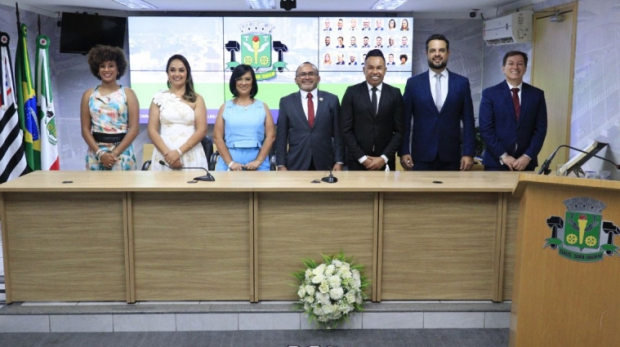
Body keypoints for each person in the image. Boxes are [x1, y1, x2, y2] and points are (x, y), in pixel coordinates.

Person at [399, 34, 475, 171]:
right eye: (433, 50)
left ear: (448, 53)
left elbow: (468, 121)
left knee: (450, 193)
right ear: (426, 53)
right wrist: (404, 151)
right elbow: (404, 121)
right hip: (421, 156)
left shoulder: (462, 83)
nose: (437, 54)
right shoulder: (413, 84)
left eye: (441, 50)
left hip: (451, 157)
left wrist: (468, 153)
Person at [479, 51, 547, 171]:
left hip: (525, 164)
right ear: (503, 68)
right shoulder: (490, 94)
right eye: (511, 63)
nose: (515, 67)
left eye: (520, 64)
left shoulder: (537, 95)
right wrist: (504, 156)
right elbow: (486, 129)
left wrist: (527, 156)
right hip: (496, 162)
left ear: (525, 68)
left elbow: (540, 129)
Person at [340, 49, 404, 171]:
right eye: (370, 67)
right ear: (364, 70)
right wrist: (362, 158)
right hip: (357, 163)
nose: (375, 72)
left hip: (385, 163)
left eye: (379, 68)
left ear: (385, 70)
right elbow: (345, 130)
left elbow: (399, 131)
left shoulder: (395, 94)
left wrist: (384, 158)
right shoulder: (351, 93)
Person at [275, 62, 344, 171]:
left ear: (318, 78)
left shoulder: (332, 100)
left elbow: (338, 134)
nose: (307, 77)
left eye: (311, 74)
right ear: (296, 80)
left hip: (326, 163)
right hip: (296, 163)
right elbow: (281, 136)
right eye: (302, 74)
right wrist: (281, 164)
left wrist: (339, 161)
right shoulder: (286, 102)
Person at [80, 45, 139, 171]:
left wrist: (114, 154)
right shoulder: (88, 95)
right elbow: (85, 130)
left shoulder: (128, 94)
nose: (106, 70)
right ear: (97, 69)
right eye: (102, 66)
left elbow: (134, 129)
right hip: (96, 153)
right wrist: (100, 154)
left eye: (111, 65)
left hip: (123, 153)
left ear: (118, 68)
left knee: (124, 190)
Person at [148, 54, 208, 171]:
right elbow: (152, 130)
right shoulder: (158, 98)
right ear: (167, 74)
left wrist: (179, 152)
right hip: (164, 154)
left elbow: (202, 130)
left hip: (190, 152)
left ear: (187, 73)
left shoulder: (197, 99)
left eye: (181, 70)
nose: (177, 74)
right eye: (172, 70)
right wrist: (168, 155)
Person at [213, 64, 275, 171]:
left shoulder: (262, 106)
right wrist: (230, 163)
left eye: (247, 79)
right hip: (228, 162)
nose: (243, 83)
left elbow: (271, 136)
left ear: (253, 82)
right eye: (239, 79)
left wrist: (258, 161)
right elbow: (217, 137)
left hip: (257, 162)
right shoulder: (225, 107)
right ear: (234, 82)